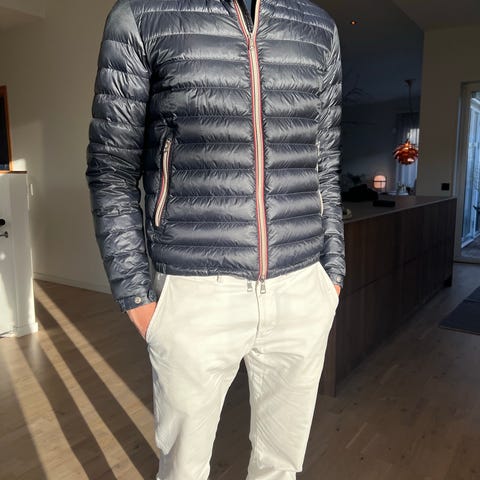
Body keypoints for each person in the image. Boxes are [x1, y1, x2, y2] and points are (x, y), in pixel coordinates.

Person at [85, 0, 346, 478]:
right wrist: (137, 296)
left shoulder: (318, 28)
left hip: (302, 289)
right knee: (183, 469)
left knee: (280, 467)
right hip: (194, 294)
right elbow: (111, 170)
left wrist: (331, 275)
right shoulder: (143, 16)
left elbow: (324, 163)